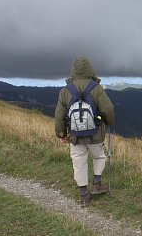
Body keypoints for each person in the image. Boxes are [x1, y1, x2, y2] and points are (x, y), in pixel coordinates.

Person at [55, 57, 115, 207]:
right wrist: (109, 123)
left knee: (78, 161)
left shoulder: (65, 91)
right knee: (99, 156)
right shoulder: (96, 88)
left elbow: (59, 115)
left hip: (75, 135)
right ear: (90, 69)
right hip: (96, 134)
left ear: (73, 70)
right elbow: (108, 109)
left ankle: (83, 195)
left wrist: (61, 134)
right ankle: (97, 184)